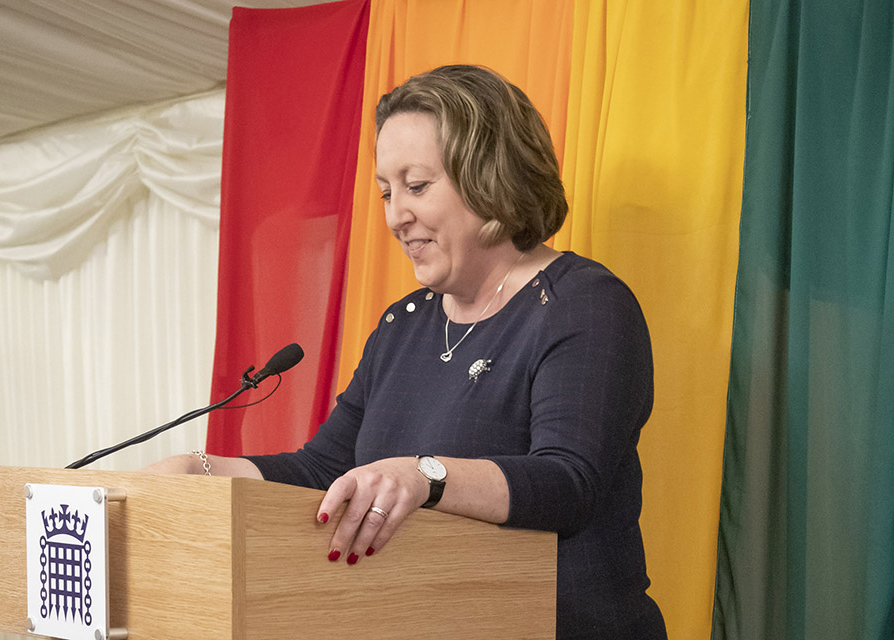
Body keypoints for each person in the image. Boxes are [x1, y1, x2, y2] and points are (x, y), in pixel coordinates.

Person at [144, 64, 666, 639]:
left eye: (416, 187)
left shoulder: (583, 304)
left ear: (490, 176)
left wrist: (423, 476)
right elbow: (325, 470)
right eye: (387, 193)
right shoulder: (403, 325)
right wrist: (206, 471)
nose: (395, 216)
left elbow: (568, 484)